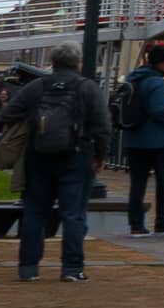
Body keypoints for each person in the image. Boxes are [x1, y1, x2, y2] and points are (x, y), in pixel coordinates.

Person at [7, 45, 111, 282]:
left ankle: (28, 267)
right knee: (73, 214)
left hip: (38, 155)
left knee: (35, 212)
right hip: (76, 156)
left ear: (53, 63)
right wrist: (100, 155)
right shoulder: (87, 87)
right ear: (78, 63)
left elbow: (9, 113)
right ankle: (72, 268)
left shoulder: (37, 86)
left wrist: (34, 125)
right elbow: (103, 126)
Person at [116, 46, 164, 236]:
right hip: (156, 141)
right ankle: (163, 221)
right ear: (162, 62)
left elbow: (144, 104)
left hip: (133, 139)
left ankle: (136, 225)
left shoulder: (134, 78)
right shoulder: (157, 82)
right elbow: (158, 112)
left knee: (137, 183)